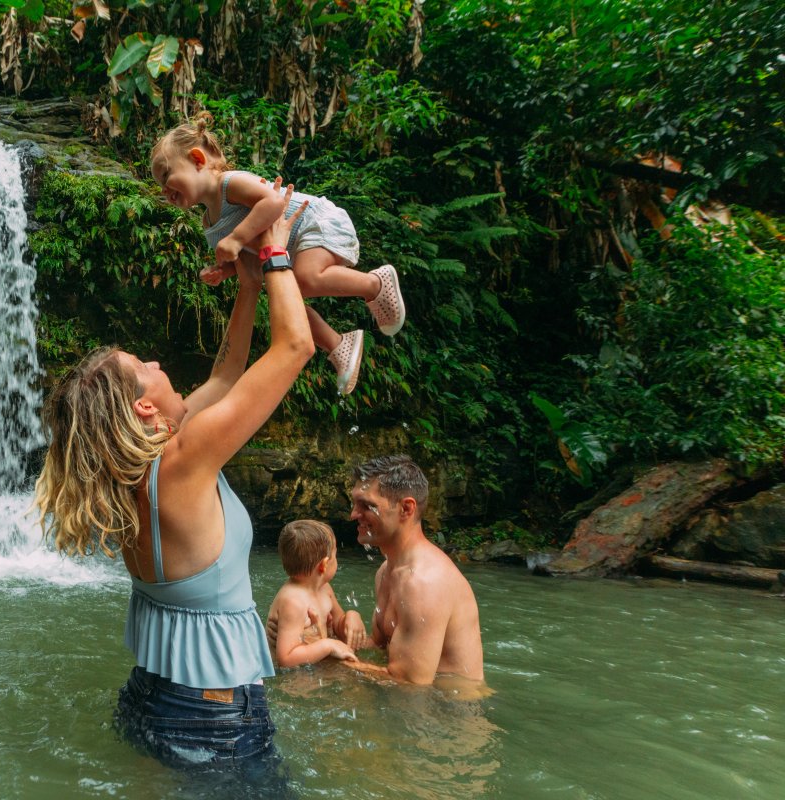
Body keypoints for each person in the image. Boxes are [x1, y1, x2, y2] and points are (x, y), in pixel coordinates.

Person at [35, 181, 313, 782]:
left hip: (150, 700)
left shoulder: (134, 476)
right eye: (145, 367)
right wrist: (276, 252)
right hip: (213, 717)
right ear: (142, 409)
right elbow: (295, 346)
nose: (159, 364)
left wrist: (246, 289)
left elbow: (228, 370)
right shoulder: (185, 462)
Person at [149, 112, 406, 397]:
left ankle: (376, 284)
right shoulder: (209, 224)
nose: (164, 190)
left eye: (166, 175)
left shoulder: (230, 183)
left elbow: (273, 202)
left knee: (306, 281)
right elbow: (246, 258)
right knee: (286, 303)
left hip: (312, 221)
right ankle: (338, 345)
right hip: (289, 247)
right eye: (160, 186)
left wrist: (235, 238)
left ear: (197, 160)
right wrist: (224, 270)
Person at [350, 455, 486, 688]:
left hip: (452, 716)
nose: (353, 514)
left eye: (367, 506)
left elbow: (409, 684)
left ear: (406, 508)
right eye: (354, 504)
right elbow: (381, 648)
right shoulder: (386, 571)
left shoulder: (424, 583)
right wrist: (323, 634)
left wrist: (325, 659)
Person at [266, 520, 365, 667]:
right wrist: (327, 646)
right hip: (296, 680)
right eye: (335, 555)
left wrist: (352, 616)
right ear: (324, 565)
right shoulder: (293, 601)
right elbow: (286, 659)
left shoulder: (325, 589)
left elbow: (338, 625)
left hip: (315, 665)